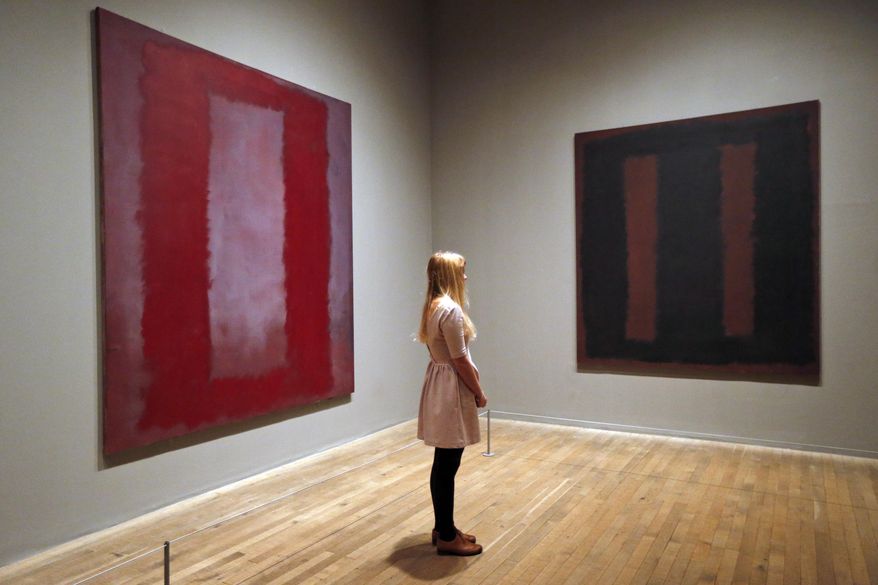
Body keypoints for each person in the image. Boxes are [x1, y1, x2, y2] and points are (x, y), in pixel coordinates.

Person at [417, 251, 487, 556]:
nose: (466, 277)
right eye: (462, 271)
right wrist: (479, 391)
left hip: (439, 384)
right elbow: (459, 359)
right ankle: (446, 535)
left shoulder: (433, 306)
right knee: (447, 464)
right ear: (449, 275)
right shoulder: (451, 310)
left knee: (443, 463)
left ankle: (443, 527)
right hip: (451, 390)